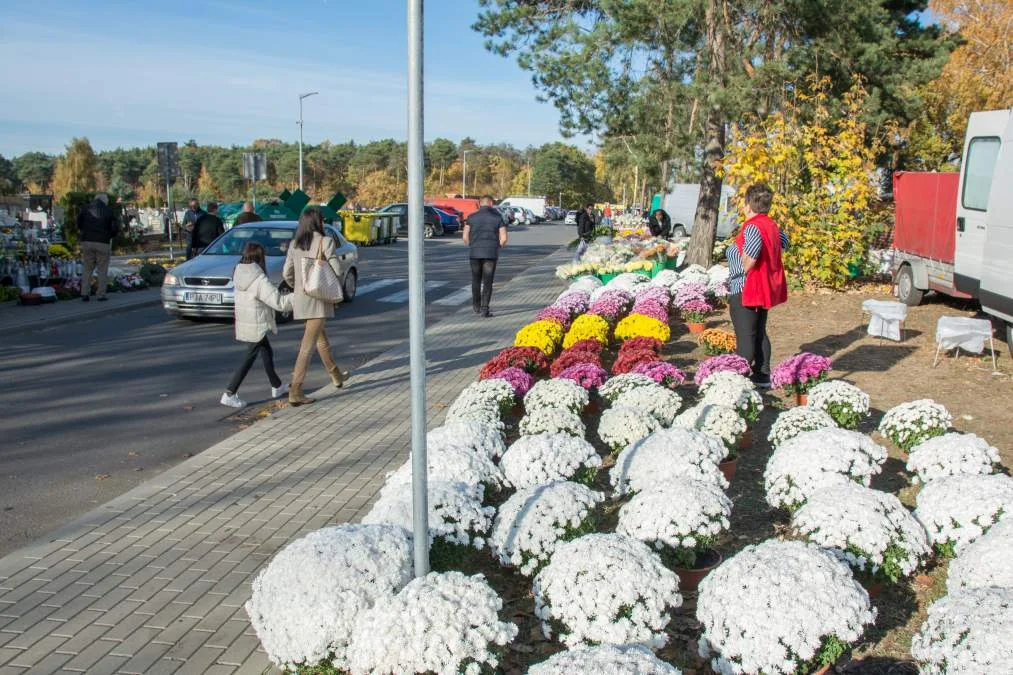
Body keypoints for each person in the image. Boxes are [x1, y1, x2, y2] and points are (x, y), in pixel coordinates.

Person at [726, 183, 789, 388]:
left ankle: (739, 383)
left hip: (746, 289)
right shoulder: (771, 225)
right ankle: (762, 375)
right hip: (762, 290)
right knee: (759, 332)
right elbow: (784, 242)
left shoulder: (753, 226)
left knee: (745, 338)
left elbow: (750, 256)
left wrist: (737, 272)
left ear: (748, 206)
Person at [283, 207, 348, 406]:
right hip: (319, 300)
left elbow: (287, 273)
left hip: (302, 298)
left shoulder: (294, 244)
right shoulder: (326, 242)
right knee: (307, 346)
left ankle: (336, 375)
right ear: (319, 222)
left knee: (320, 339)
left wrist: (300, 287)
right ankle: (295, 389)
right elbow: (337, 270)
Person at [220, 242, 293, 408]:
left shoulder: (239, 272)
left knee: (266, 351)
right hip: (257, 322)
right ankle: (229, 392)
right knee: (249, 358)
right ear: (261, 259)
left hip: (246, 319)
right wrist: (298, 297)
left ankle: (276, 386)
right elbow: (279, 302)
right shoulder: (258, 279)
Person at [462, 195, 508, 317]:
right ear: (491, 203)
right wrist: (498, 246)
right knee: (488, 281)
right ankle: (484, 309)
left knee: (475, 280)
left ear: (480, 204)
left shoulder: (471, 217)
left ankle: (476, 306)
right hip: (490, 254)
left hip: (475, 253)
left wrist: (471, 245)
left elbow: (465, 237)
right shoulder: (497, 218)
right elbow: (503, 238)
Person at [77, 193, 118, 302]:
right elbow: (114, 227)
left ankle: (84, 293)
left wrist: (84, 232)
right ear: (105, 201)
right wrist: (110, 236)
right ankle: (101, 294)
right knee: (102, 269)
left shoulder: (85, 208)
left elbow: (79, 223)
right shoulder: (108, 210)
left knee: (87, 268)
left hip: (87, 241)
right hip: (103, 242)